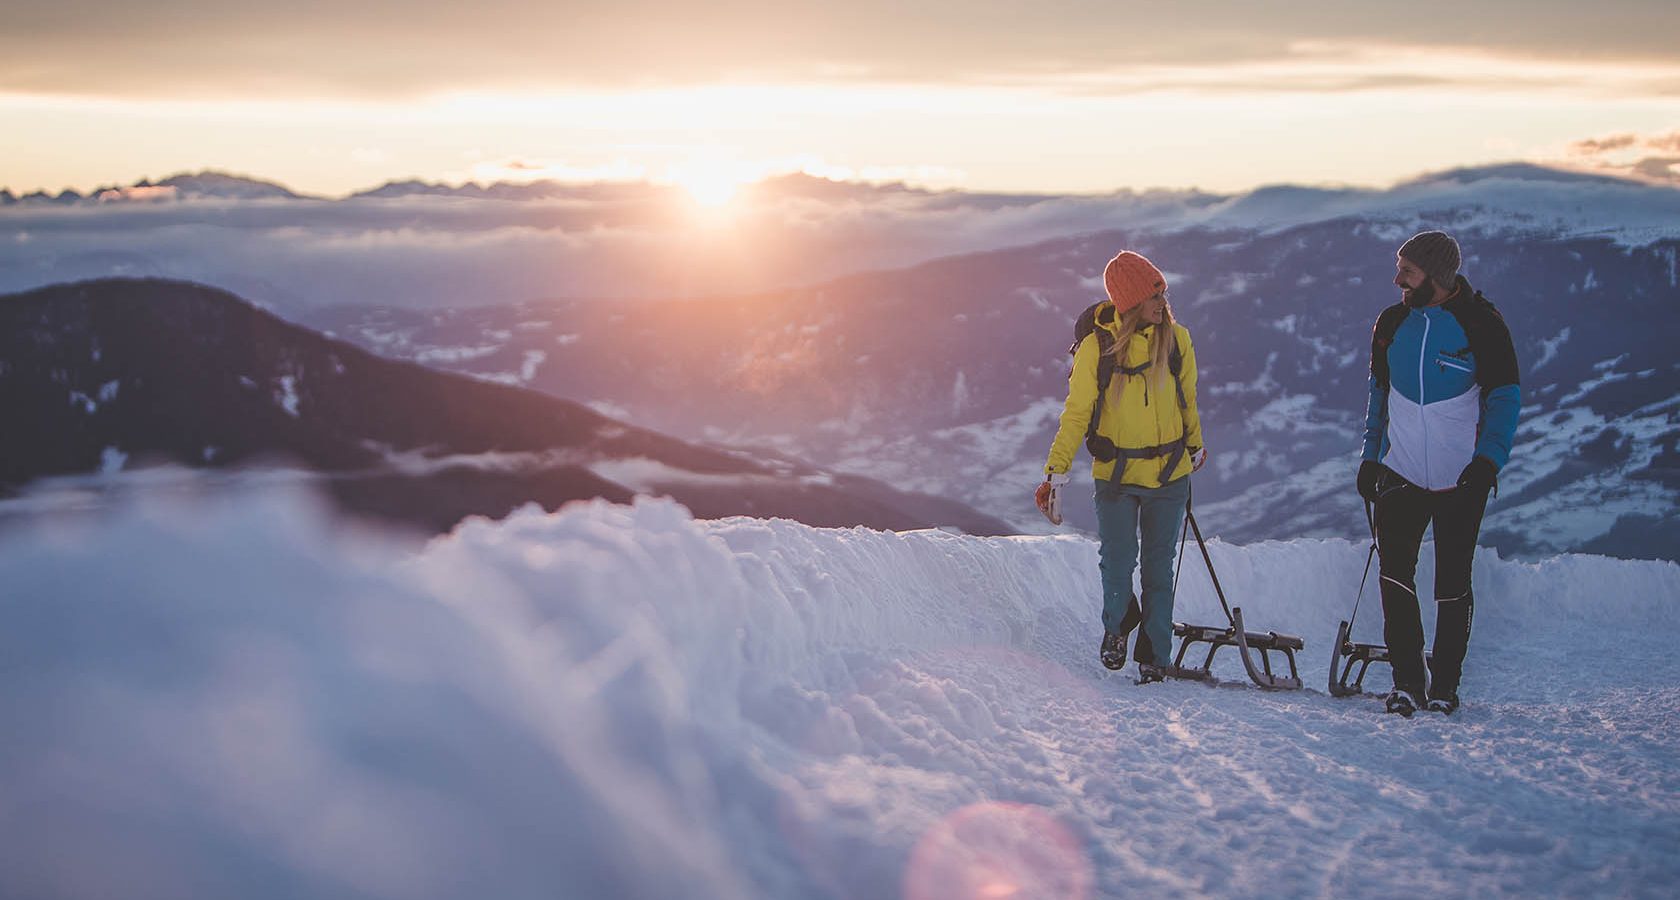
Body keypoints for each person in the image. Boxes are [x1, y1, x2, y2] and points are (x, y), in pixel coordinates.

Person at [1358, 231, 1520, 716]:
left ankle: (1445, 686)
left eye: (1407, 271)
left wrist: (1488, 462)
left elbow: (1505, 398)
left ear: (1438, 275)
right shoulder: (1391, 323)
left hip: (1461, 478)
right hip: (1401, 471)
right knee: (1395, 577)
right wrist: (1370, 457)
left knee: (1452, 583)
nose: (1397, 279)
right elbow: (1378, 395)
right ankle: (1407, 683)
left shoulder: (1481, 324)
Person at [1036, 250, 1206, 683]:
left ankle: (1156, 655)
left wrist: (1195, 446)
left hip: (1169, 474)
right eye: (1154, 294)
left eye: (1164, 292)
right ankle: (1117, 628)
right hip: (1114, 475)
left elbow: (1188, 400)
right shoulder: (1097, 349)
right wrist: (1055, 472)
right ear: (1130, 301)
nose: (1163, 302)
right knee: (1117, 562)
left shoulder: (1178, 340)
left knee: (1157, 567)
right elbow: (1076, 413)